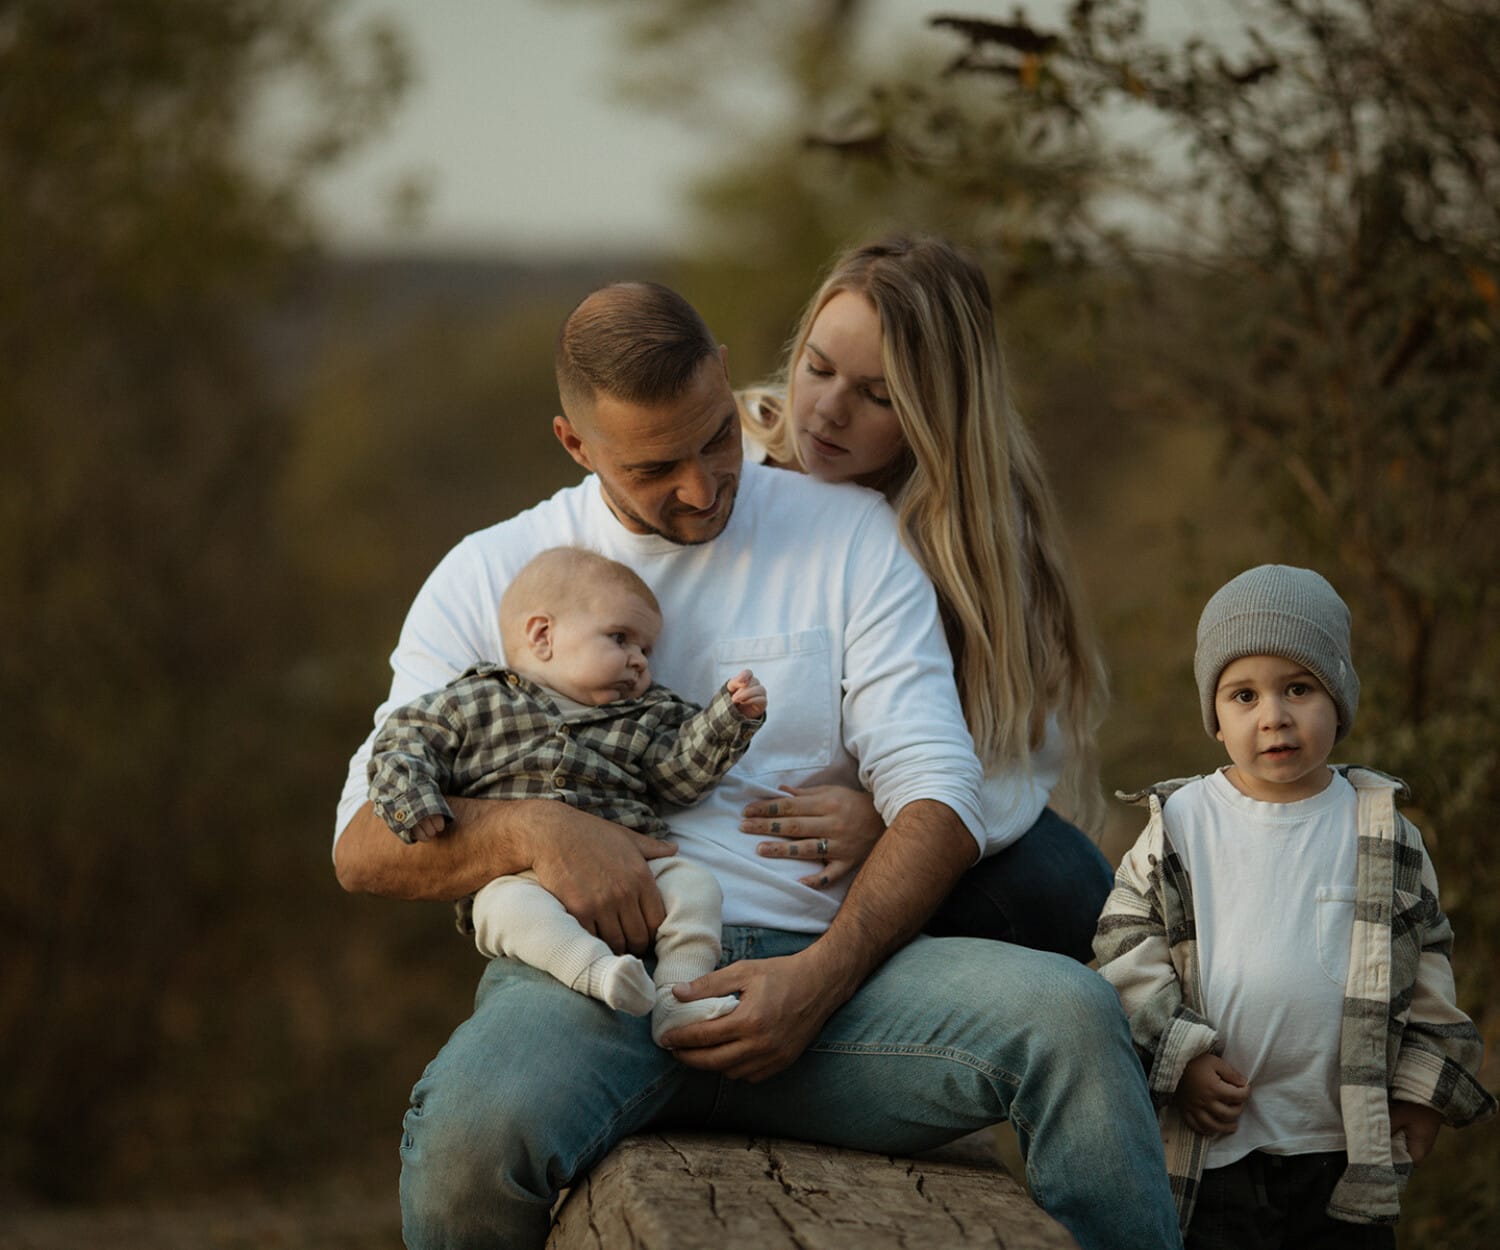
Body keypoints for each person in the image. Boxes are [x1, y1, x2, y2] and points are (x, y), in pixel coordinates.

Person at [333, 279, 1183, 1250]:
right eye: (658, 465)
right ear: (577, 444)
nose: (702, 486)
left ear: (726, 380)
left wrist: (821, 976)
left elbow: (939, 790)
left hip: (832, 995)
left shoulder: (846, 530)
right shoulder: (490, 571)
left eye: (715, 439)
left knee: (1071, 1015)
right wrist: (537, 829)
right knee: (466, 1140)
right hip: (591, 984)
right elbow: (362, 845)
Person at [1093, 564, 1495, 1247]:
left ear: (1337, 699)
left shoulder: (1380, 828)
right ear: (1215, 719)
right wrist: (1182, 1060)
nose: (1273, 716)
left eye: (1298, 688)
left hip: (1341, 1146)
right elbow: (1125, 942)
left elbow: (1426, 962)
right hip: (1218, 1143)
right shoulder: (1186, 822)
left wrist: (1421, 1091)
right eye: (1244, 695)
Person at [737, 235, 1111, 960]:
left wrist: (894, 819)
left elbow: (1011, 755)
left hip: (893, 842)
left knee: (1063, 881)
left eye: (879, 396)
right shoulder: (730, 461)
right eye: (816, 368)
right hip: (745, 830)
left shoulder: (980, 538)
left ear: (938, 412)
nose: (828, 410)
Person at [366, 545, 766, 1045]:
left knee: (696, 888)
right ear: (543, 635)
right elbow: (403, 742)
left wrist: (728, 719)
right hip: (517, 877)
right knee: (502, 912)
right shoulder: (475, 701)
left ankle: (677, 999)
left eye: (647, 650)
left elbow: (678, 777)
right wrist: (415, 801)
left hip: (631, 868)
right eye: (620, 638)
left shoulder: (647, 713)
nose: (639, 662)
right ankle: (598, 974)